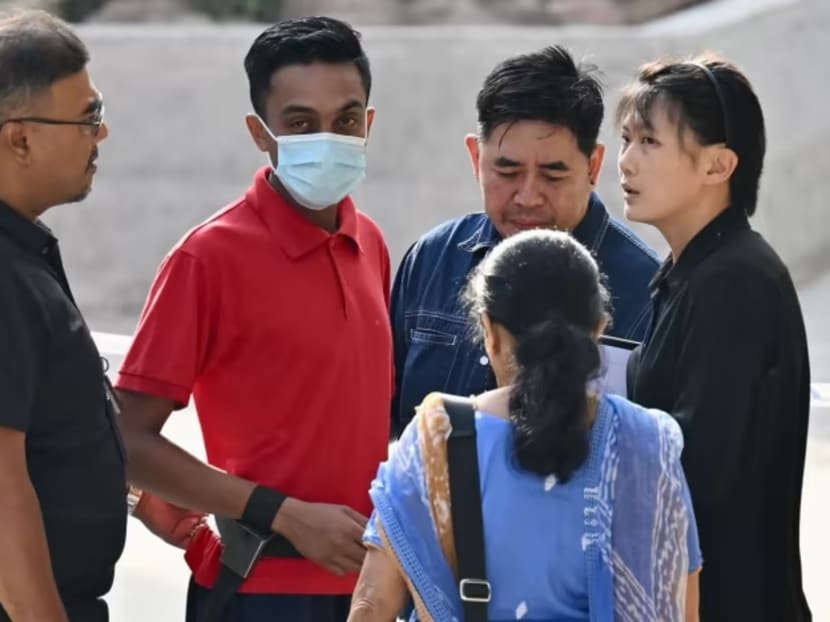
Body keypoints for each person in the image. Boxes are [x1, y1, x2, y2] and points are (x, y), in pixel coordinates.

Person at [114, 16, 393, 622]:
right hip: (258, 595)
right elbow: (128, 439)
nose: (329, 137)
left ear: (368, 124)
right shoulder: (206, 258)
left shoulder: (370, 243)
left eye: (346, 120)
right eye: (300, 123)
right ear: (260, 134)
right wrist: (284, 513)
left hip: (367, 591)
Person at [349, 229, 701, 622]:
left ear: (489, 331)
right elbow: (682, 610)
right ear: (598, 329)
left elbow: (371, 605)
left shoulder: (436, 440)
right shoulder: (647, 444)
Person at [0, 10, 204, 622]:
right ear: (19, 138)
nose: (101, 134)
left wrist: (128, 489)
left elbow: (43, 434)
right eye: (88, 117)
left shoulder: (22, 252)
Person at [619, 54, 812, 621]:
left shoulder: (733, 281)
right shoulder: (692, 272)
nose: (626, 161)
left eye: (650, 142)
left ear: (718, 165)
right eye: (627, 139)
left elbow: (699, 471)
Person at [391, 46, 660, 434]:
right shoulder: (432, 260)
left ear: (594, 166)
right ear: (475, 157)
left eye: (553, 175)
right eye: (508, 171)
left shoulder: (648, 295)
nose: (528, 197)